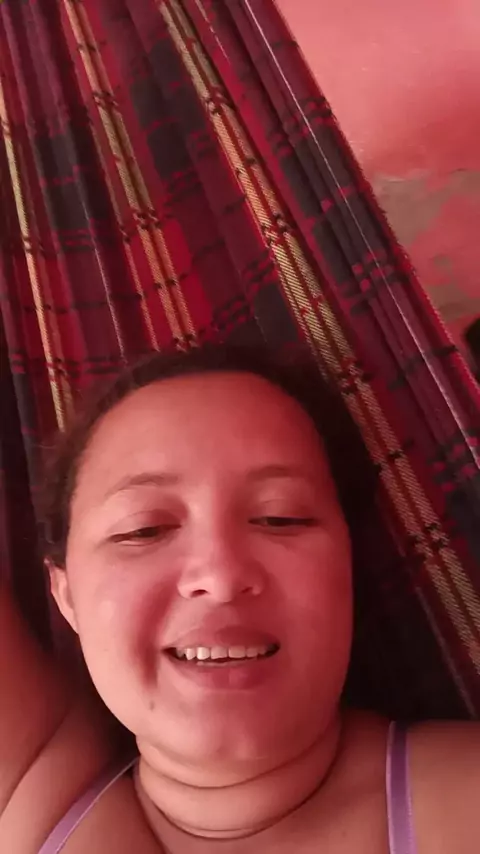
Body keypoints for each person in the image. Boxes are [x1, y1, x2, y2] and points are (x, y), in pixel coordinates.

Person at [1, 343, 479, 854]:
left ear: (349, 567)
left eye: (280, 517)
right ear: (65, 593)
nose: (221, 575)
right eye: (144, 529)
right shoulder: (34, 800)